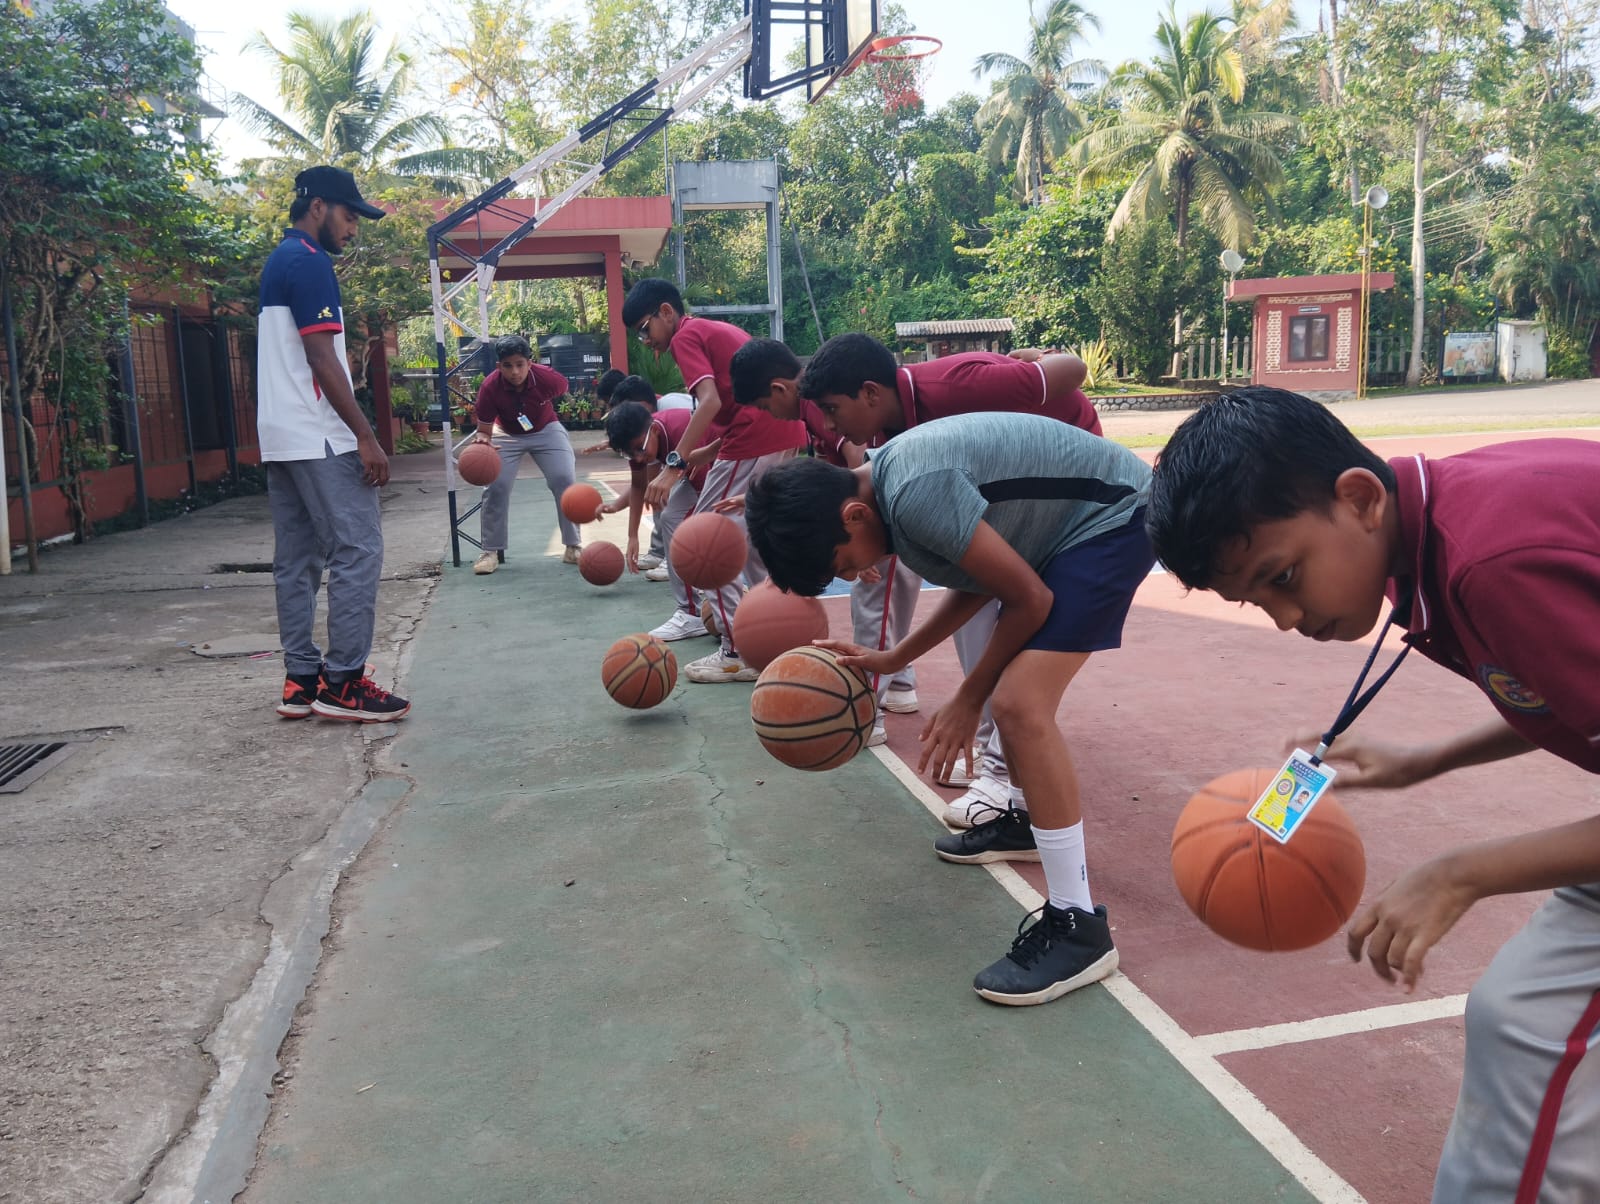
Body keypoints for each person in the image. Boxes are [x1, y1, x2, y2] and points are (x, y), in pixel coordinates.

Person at [1147, 386, 1600, 1203]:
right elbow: (1562, 687)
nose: (1284, 617)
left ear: (1358, 498)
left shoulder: (1492, 562)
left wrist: (1461, 872)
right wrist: (1430, 760)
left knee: (1532, 1029)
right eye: (1256, 600)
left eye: (1283, 577)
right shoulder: (1437, 535)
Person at [746, 412, 1154, 1005]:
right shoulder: (892, 490)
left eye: (844, 564)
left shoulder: (914, 493)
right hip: (1070, 528)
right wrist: (895, 657)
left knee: (1018, 705)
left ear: (853, 516)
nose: (858, 574)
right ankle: (1024, 818)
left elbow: (1028, 597)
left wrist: (968, 698)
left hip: (1114, 517)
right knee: (1010, 692)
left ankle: (1078, 927)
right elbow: (981, 577)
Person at [746, 331, 1101, 827]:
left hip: (1068, 489)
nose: (828, 425)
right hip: (1005, 503)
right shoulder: (892, 443)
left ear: (871, 393)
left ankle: (999, 770)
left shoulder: (953, 389)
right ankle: (994, 759)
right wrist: (898, 655)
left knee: (1013, 660)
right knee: (984, 619)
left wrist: (1040, 361)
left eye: (831, 410)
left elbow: (1073, 372)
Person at [258, 165, 410, 723]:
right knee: (358, 549)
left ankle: (302, 680)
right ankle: (344, 683)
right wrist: (365, 436)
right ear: (318, 207)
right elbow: (321, 357)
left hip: (280, 434)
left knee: (297, 560)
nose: (353, 229)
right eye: (349, 216)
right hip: (318, 431)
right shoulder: (310, 261)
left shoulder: (280, 259)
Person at [623, 278, 807, 682]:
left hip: (753, 440)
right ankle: (770, 638)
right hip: (781, 431)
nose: (646, 341)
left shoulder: (685, 337)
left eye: (644, 329)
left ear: (666, 312)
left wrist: (674, 466)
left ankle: (736, 649)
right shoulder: (711, 330)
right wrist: (706, 452)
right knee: (754, 542)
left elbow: (711, 401)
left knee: (702, 541)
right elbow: (735, 402)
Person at [468, 335, 581, 576]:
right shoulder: (489, 387)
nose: (515, 372)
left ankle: (573, 546)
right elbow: (484, 430)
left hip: (546, 429)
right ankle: (489, 552)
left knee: (564, 479)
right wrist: (483, 442)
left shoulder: (548, 379)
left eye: (520, 364)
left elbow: (563, 389)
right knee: (496, 486)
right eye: (508, 366)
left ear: (530, 363)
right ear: (499, 366)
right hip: (506, 433)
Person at [604, 401, 705, 622]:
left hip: (724, 464)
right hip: (698, 472)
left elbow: (706, 481)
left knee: (717, 527)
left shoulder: (678, 429)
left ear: (655, 431)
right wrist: (632, 536)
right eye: (630, 454)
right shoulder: (639, 443)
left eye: (640, 450)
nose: (638, 458)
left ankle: (712, 598)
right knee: (671, 517)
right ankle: (690, 611)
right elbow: (638, 486)